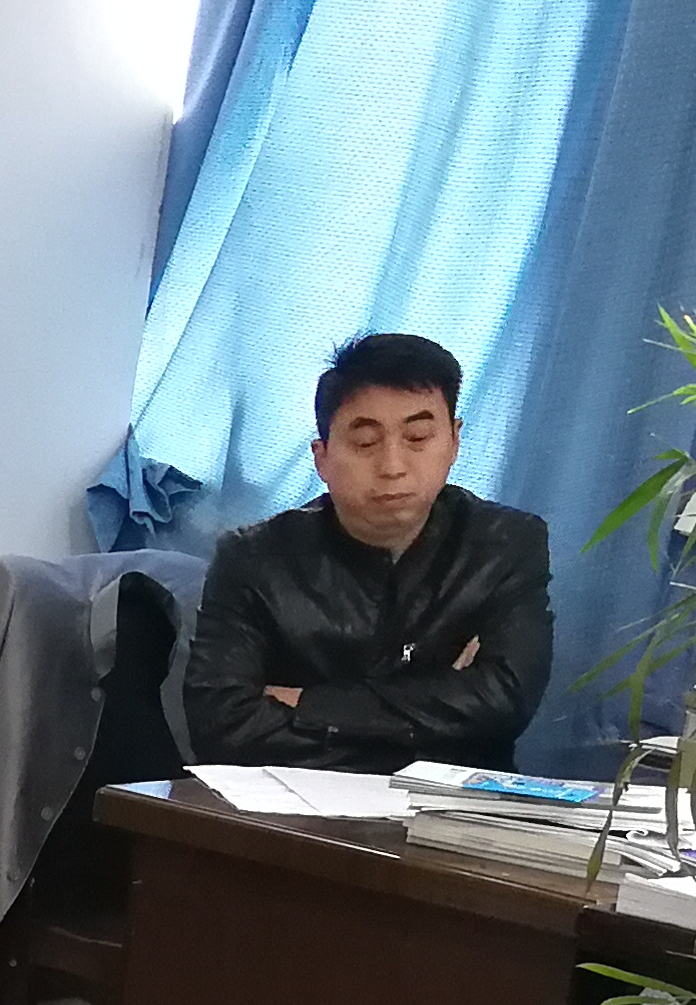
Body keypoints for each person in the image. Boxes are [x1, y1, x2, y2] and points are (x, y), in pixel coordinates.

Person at [181, 330, 555, 773]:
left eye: (417, 437)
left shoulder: (506, 545)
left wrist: (309, 704)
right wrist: (441, 719)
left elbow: (506, 701)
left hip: (448, 808)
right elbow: (221, 726)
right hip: (290, 805)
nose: (393, 466)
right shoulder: (253, 560)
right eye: (365, 443)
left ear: (454, 441)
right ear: (322, 457)